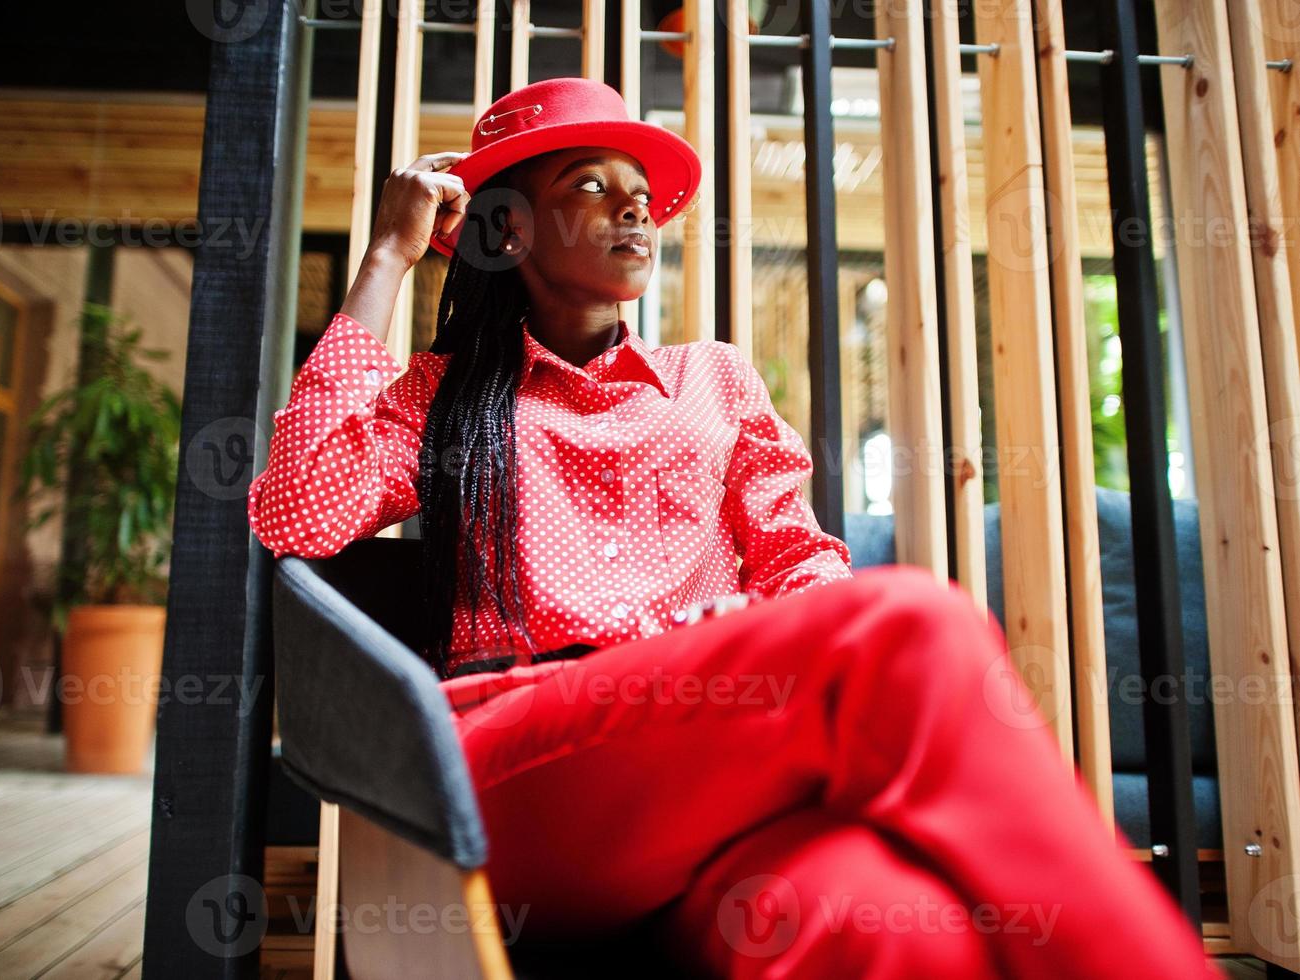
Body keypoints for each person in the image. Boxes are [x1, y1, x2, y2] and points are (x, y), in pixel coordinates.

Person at [248, 77, 1215, 978]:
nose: (636, 208)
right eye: (592, 185)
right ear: (506, 229)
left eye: (642, 193)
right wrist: (385, 257)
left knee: (866, 911)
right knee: (913, 625)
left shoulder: (714, 380)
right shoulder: (442, 398)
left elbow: (801, 565)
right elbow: (295, 508)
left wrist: (754, 641)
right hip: (513, 775)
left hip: (703, 771)